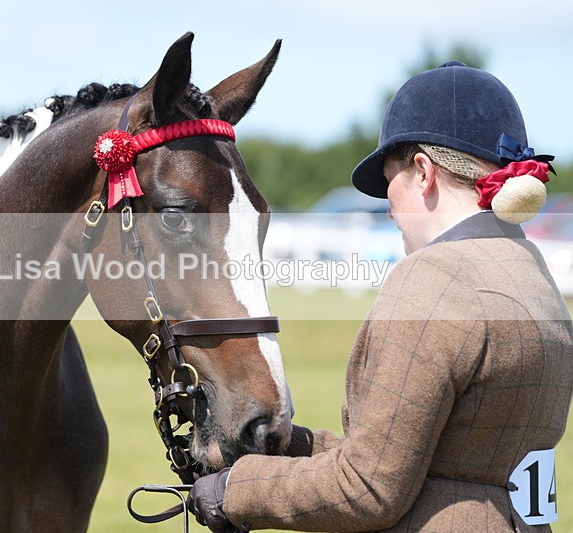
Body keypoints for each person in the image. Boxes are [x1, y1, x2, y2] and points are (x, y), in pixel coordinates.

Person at [188, 61, 573, 532]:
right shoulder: (533, 275)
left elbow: (369, 488)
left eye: (391, 180)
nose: (388, 206)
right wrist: (290, 445)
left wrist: (232, 490)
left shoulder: (434, 280)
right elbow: (434, 461)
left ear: (423, 172)